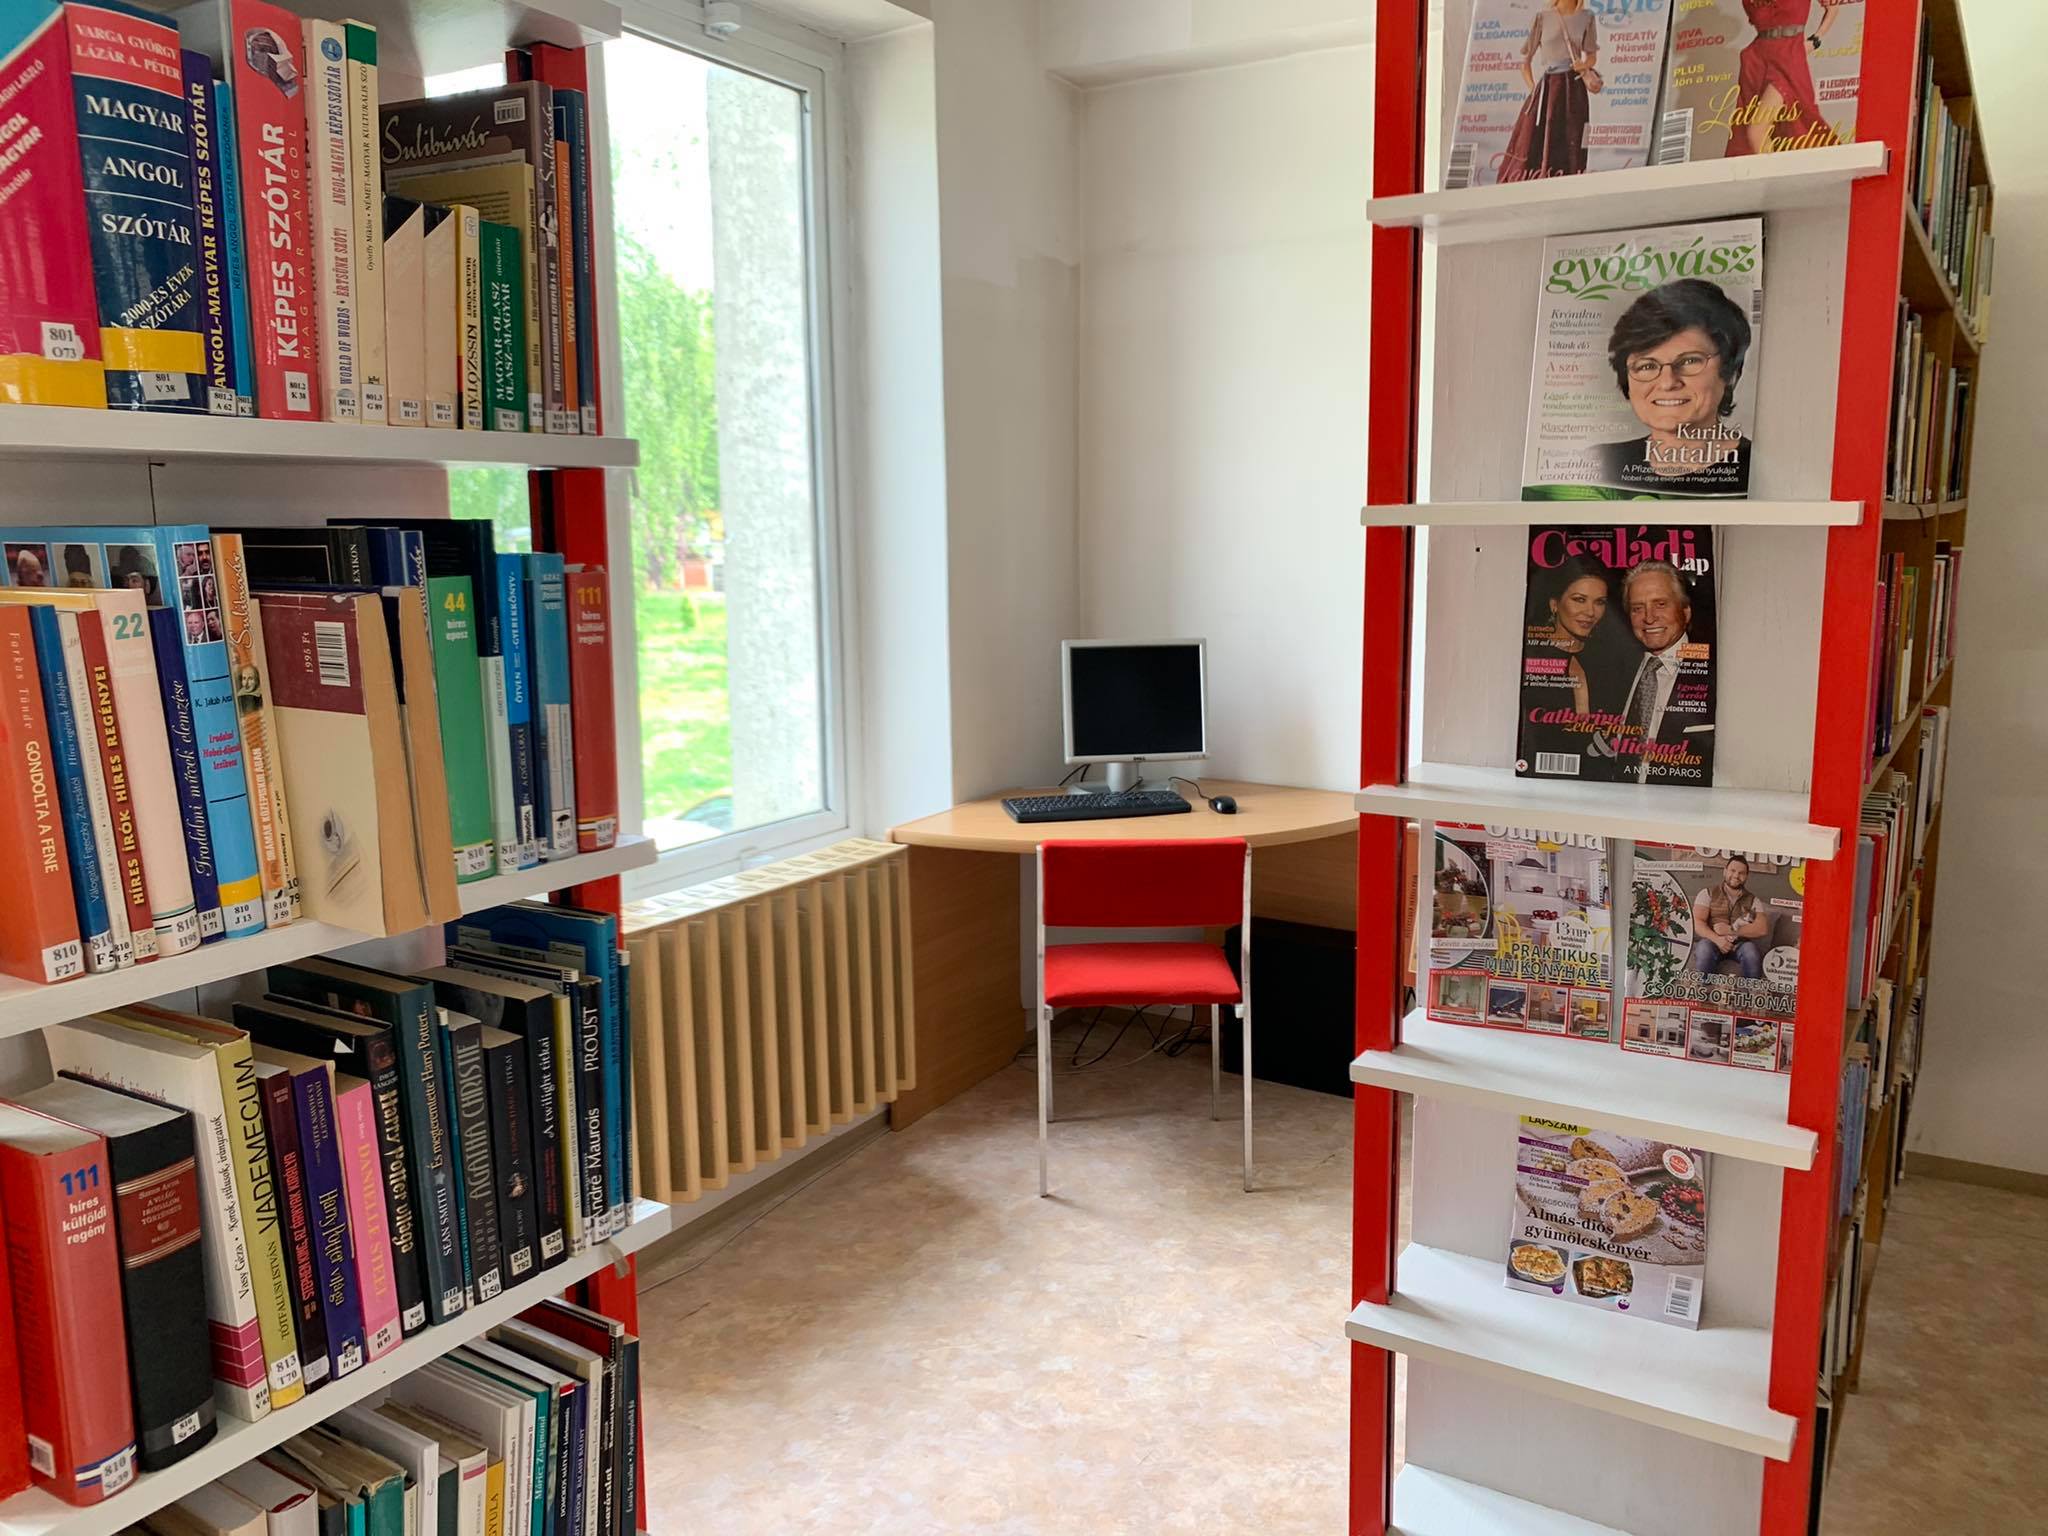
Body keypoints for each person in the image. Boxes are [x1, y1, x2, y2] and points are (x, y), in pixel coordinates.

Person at [1593, 279, 1754, 496]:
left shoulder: (1758, 471)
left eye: (1690, 361)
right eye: (1647, 366)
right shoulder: (1598, 463)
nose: (1668, 382)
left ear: (1730, 372)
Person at [1600, 559, 1710, 784]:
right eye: (1637, 608)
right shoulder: (1612, 670)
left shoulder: (1714, 676)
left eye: (1660, 604)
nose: (1649, 618)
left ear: (1685, 611)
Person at [1729, 1, 1847, 157]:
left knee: (1757, 131)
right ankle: (1777, 171)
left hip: (1789, 56)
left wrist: (1814, 41)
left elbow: (1833, 8)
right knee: (1771, 134)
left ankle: (1777, 173)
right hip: (1757, 60)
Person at [1499, 0, 1600, 183]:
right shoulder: (1543, 18)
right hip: (1549, 90)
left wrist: (1583, 64)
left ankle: (1570, 184)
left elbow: (1592, 56)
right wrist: (1534, 90)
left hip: (1574, 89)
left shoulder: (1587, 17)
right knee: (1534, 141)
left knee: (1573, 140)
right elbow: (1525, 62)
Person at [1688, 855, 1770, 979]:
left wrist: (1731, 930)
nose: (1736, 875)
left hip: (1740, 944)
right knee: (1704, 950)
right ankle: (1704, 986)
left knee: (1751, 953)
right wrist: (1717, 939)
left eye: (1741, 873)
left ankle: (1752, 989)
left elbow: (1762, 929)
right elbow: (1697, 922)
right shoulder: (1707, 893)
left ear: (1746, 876)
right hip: (1712, 941)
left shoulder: (1754, 900)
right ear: (1725, 871)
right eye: (1733, 870)